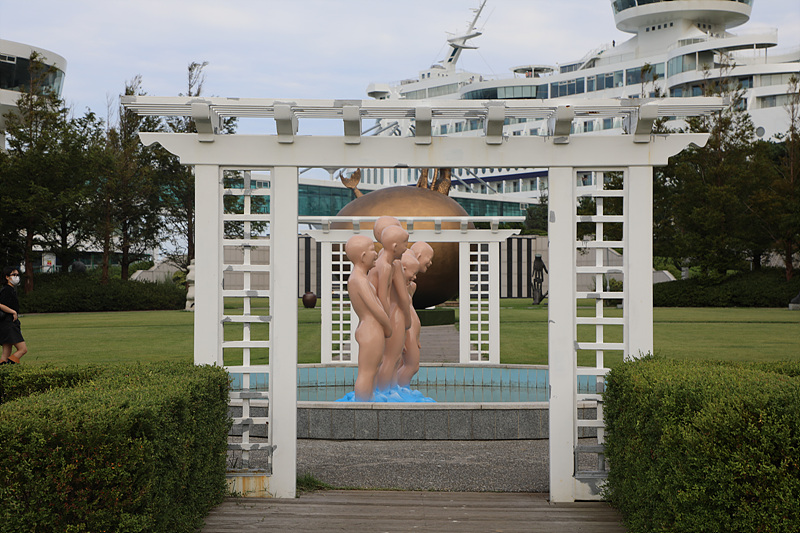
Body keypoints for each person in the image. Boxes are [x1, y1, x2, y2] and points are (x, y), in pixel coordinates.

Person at [346, 235, 393, 401]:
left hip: (371, 329)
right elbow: (375, 307)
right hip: (370, 329)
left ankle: (369, 400)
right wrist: (388, 326)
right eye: (373, 250)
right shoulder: (358, 280)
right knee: (367, 371)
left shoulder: (361, 278)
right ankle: (363, 406)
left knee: (373, 369)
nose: (376, 253)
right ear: (363, 256)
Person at [371, 223, 412, 391]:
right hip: (391, 315)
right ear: (395, 246)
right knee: (391, 358)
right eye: (405, 244)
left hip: (388, 315)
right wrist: (401, 320)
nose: (407, 248)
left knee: (393, 359)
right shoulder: (386, 266)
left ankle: (392, 390)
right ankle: (383, 392)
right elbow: (386, 297)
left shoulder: (387, 264)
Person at [397, 250, 421, 388]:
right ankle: (398, 389)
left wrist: (416, 336)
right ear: (403, 269)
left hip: (410, 331)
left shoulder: (408, 287)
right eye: (413, 273)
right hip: (405, 330)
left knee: (409, 365)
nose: (415, 277)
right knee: (411, 365)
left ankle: (400, 389)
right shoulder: (396, 289)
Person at [0, 266, 28, 364]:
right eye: (14, 275)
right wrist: (13, 312)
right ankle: (10, 366)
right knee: (23, 349)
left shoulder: (10, 289)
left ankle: (4, 369)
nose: (16, 277)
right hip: (8, 323)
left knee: (6, 352)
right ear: (7, 277)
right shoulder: (7, 290)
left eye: (17, 275)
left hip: (6, 324)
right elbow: (0, 304)